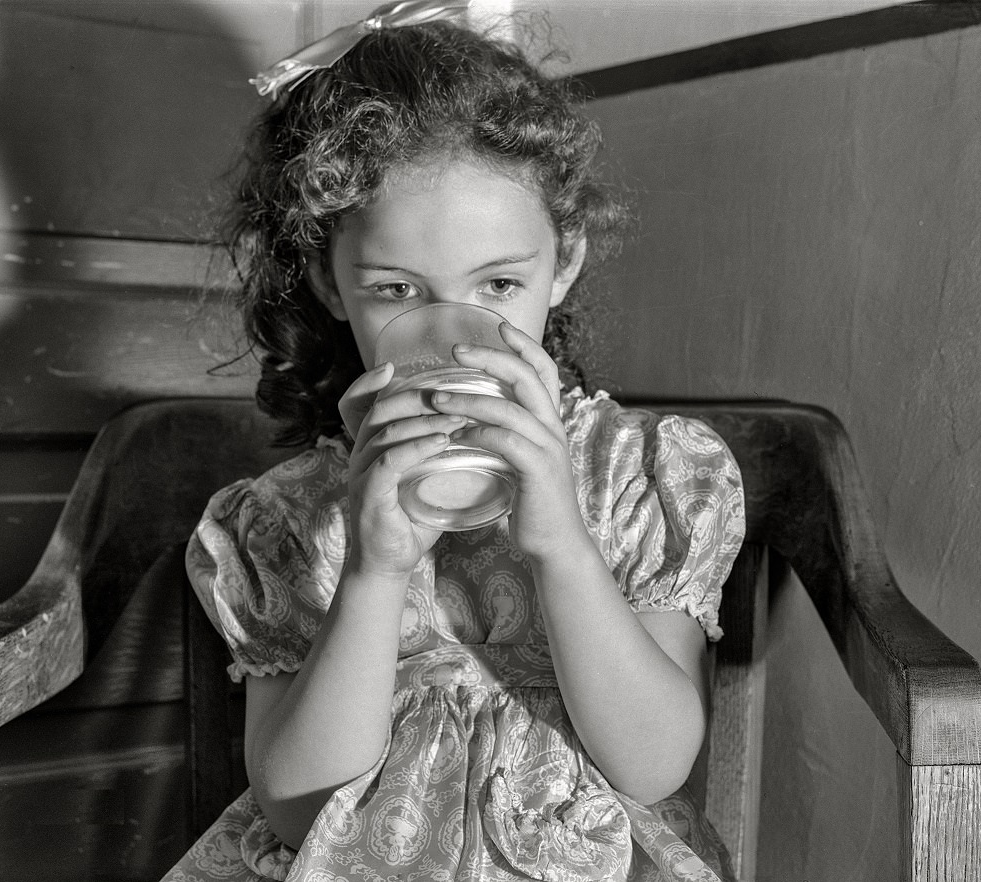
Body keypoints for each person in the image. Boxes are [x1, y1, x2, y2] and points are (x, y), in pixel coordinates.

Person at [163, 4, 745, 881]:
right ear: (329, 280)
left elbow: (655, 767)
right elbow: (295, 813)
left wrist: (558, 543)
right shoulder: (287, 522)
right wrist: (372, 569)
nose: (451, 341)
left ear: (566, 260)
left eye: (500, 283)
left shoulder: (644, 477)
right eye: (399, 288)